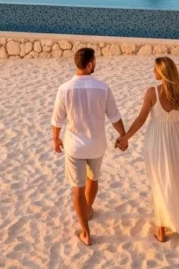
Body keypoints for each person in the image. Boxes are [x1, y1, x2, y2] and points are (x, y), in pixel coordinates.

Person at [117, 57, 179, 242]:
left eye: (155, 69)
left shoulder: (152, 92)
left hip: (156, 139)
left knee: (159, 180)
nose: (153, 71)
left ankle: (161, 229)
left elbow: (141, 119)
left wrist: (125, 137)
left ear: (162, 72)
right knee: (175, 178)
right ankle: (176, 218)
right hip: (176, 139)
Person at [51, 47, 126, 246]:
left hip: (74, 147)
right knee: (93, 179)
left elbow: (57, 120)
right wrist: (123, 135)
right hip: (97, 145)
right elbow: (114, 117)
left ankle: (85, 231)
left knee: (78, 187)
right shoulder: (103, 88)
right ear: (90, 64)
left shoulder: (64, 89)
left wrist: (55, 139)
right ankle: (89, 208)